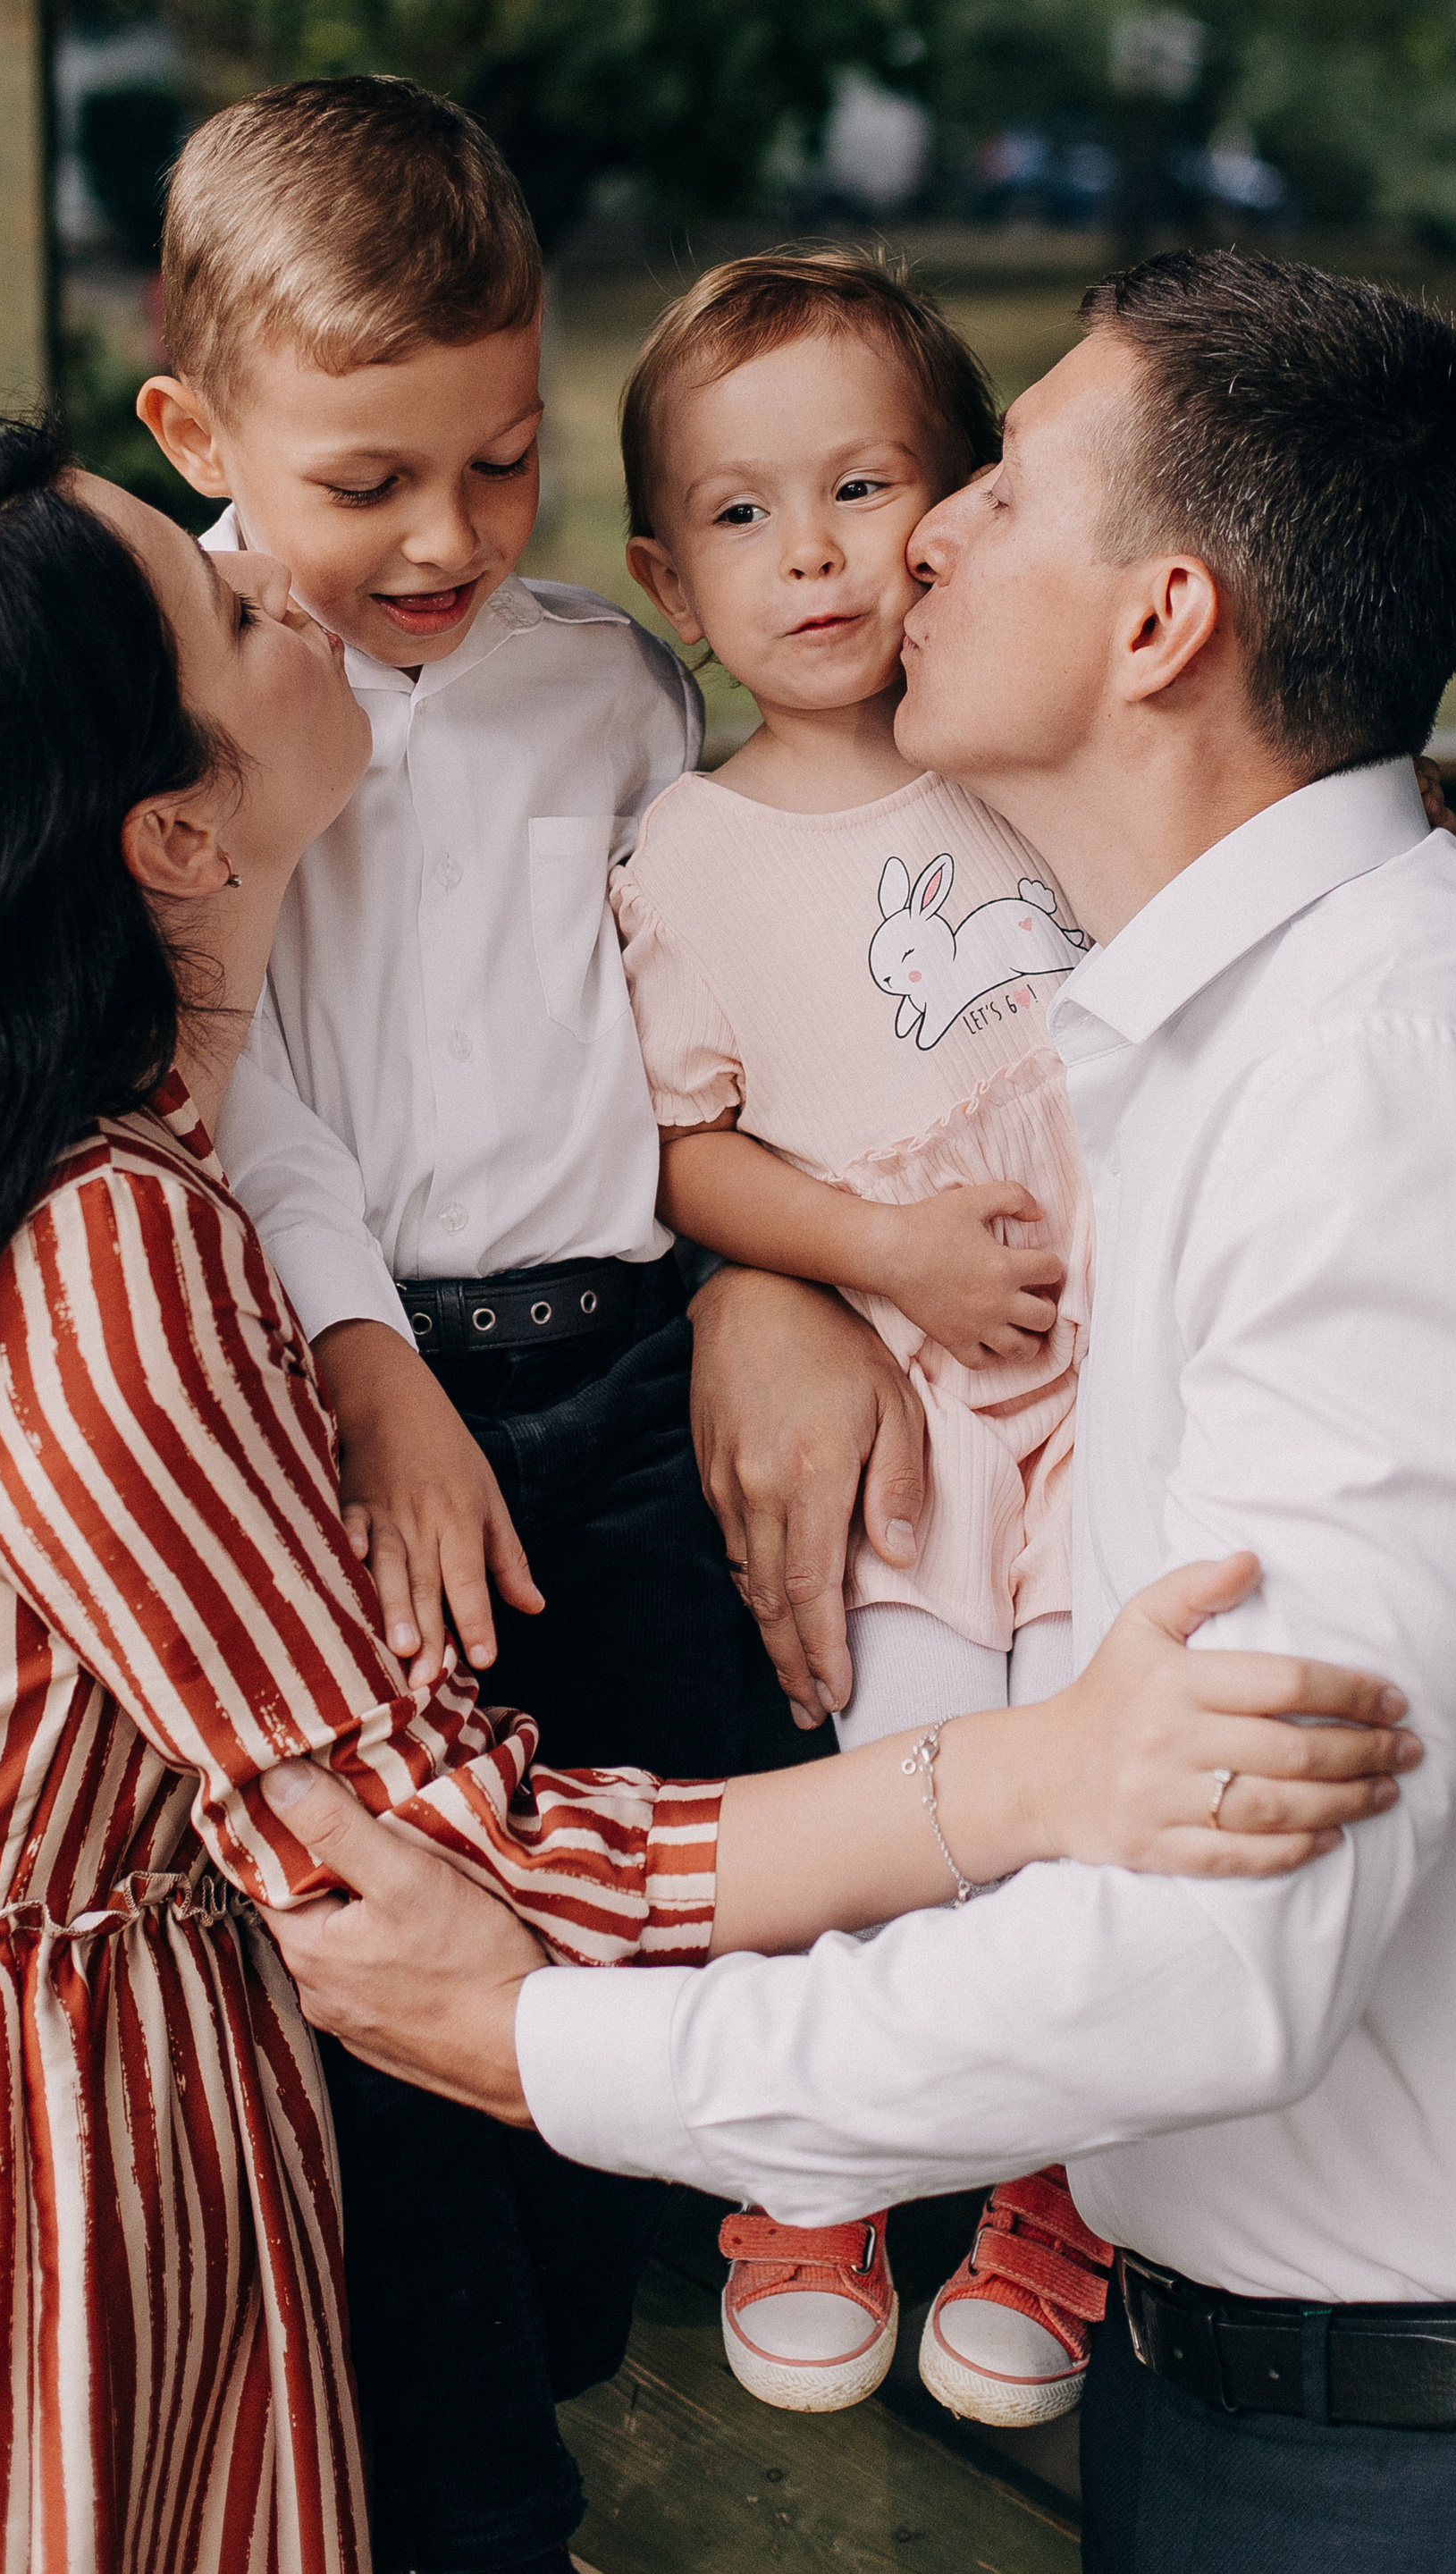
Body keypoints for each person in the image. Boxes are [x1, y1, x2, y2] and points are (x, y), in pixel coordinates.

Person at [0, 419, 1410, 2574]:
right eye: (227, 598)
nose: (295, 589)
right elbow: (441, 1842)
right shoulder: (91, 1242)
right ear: (173, 829)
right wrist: (1035, 1774)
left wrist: (767, 1269)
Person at [265, 253, 1456, 2573]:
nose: (920, 538)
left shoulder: (1404, 1094)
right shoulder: (1207, 1044)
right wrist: (766, 1279)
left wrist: (554, 2049)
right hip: (1267, 2400)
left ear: (1158, 627)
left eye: (999, 489)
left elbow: (1218, 1955)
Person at [129, 71, 762, 2570]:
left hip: (625, 1356)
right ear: (197, 427)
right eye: (371, 477)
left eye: (498, 463)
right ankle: (479, 2509)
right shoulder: (161, 685)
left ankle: (625, 2329)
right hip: (335, 1390)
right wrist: (371, 1361)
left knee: (678, 1830)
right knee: (411, 1950)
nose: (446, 538)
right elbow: (231, 1061)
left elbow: (702, 998)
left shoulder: (604, 686)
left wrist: (762, 1291)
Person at [610, 249, 1107, 2425]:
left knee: (1095, 1773)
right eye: (736, 513)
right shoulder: (682, 850)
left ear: (957, 501)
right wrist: (872, 1253)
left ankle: (1056, 2177)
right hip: (908, 1398)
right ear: (660, 569)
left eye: (855, 485)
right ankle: (811, 2166)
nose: (805, 552)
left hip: (1105, 1377)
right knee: (893, 1766)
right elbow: (683, 1152)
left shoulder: (1034, 759)